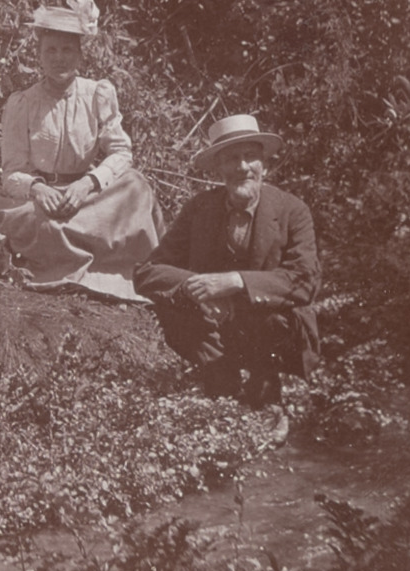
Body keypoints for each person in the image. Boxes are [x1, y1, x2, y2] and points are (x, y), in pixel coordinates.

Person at [134, 114, 321, 420]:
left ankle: (267, 394)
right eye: (232, 159)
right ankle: (223, 387)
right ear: (219, 168)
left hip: (267, 326)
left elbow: (304, 281)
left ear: (264, 164)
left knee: (278, 319)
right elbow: (148, 271)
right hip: (217, 322)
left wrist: (234, 282)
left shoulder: (292, 211)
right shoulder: (200, 208)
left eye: (251, 157)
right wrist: (200, 288)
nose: (242, 167)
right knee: (172, 307)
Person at [0, 0, 161, 300]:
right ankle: (86, 247)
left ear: (80, 54)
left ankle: (73, 252)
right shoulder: (22, 103)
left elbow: (121, 152)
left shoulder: (97, 93)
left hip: (87, 199)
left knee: (137, 186)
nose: (59, 58)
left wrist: (89, 183)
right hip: (43, 203)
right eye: (51, 50)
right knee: (28, 219)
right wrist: (37, 189)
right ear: (39, 57)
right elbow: (11, 174)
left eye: (67, 49)